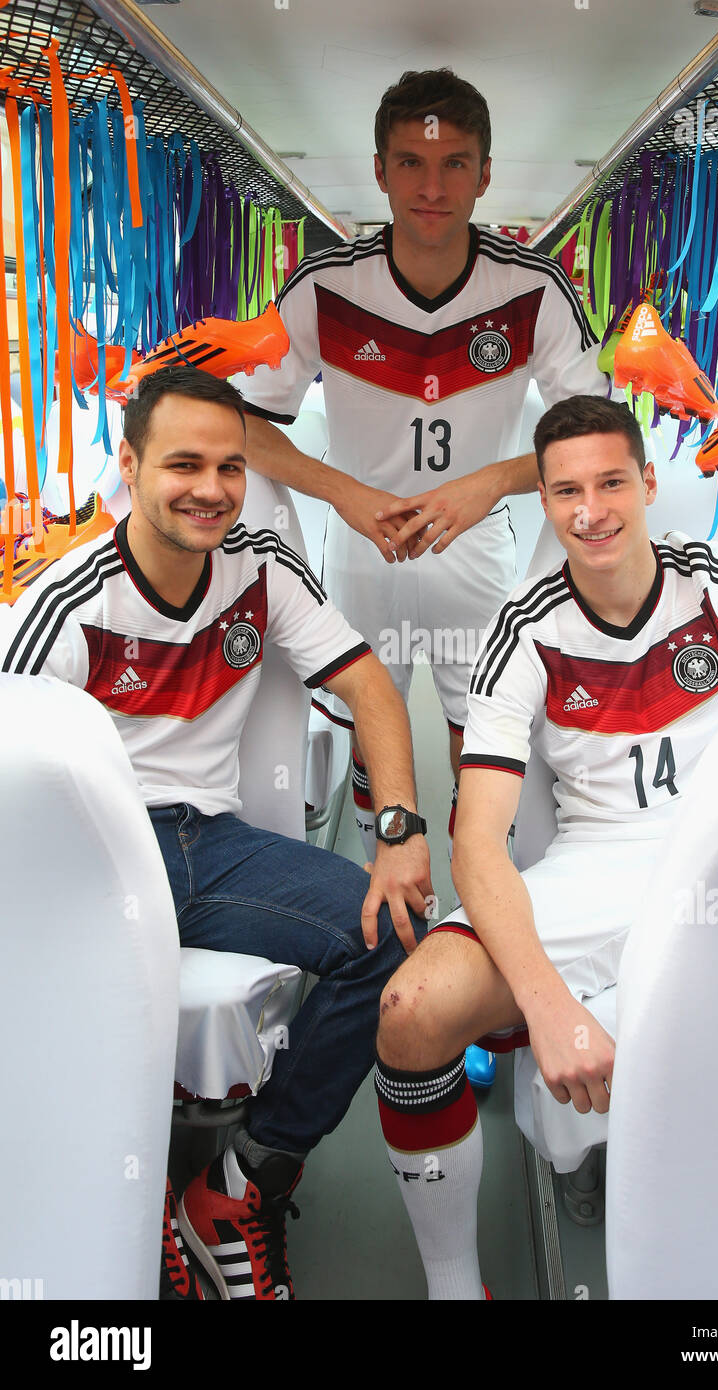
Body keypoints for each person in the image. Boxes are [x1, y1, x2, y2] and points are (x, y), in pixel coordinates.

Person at [371, 394, 718, 1301]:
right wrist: (547, 1007)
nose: (590, 510)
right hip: (600, 868)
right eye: (565, 491)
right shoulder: (520, 635)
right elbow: (477, 840)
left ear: (647, 481)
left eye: (609, 482)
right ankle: (453, 1284)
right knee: (410, 1012)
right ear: (546, 504)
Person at [0, 365, 433, 1301]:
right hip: (92, 855)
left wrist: (397, 828)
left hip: (213, 846)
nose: (211, 489)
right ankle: (114, 1191)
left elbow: (369, 689)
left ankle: (240, 1180)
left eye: (229, 467)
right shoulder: (68, 603)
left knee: (397, 936)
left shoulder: (261, 563)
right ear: (130, 464)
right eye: (184, 464)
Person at [236, 67, 611, 856]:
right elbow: (242, 427)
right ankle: (385, 890)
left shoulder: (534, 289)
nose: (432, 186)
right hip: (361, 551)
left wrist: (491, 482)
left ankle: (474, 915)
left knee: (481, 734)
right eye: (410, 162)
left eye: (453, 163)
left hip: (473, 550)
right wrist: (343, 492)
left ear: (484, 173)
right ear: (379, 170)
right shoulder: (325, 284)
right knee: (370, 723)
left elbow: (600, 430)